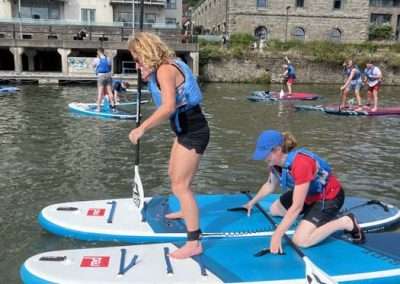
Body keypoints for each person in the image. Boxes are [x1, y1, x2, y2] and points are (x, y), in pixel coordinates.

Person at [128, 32, 210, 259]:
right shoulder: (164, 67)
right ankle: (186, 210)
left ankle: (194, 242)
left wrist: (142, 128)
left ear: (146, 52)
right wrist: (146, 75)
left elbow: (168, 107)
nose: (136, 64)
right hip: (184, 131)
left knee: (180, 186)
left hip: (193, 132)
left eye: (137, 58)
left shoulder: (165, 70)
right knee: (174, 176)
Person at [243, 130, 364, 254]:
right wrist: (251, 203)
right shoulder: (275, 162)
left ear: (278, 150)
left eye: (265, 154)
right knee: (275, 210)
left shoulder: (301, 164)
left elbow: (296, 206)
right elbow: (270, 185)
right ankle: (310, 218)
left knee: (301, 240)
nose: (263, 158)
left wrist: (277, 235)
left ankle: (346, 222)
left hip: (328, 197)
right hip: (308, 195)